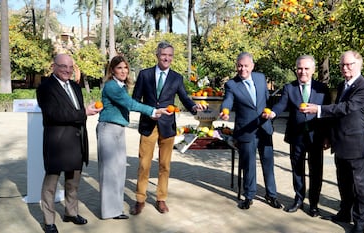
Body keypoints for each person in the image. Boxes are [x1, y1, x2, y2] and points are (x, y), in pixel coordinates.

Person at [130, 41, 206, 215]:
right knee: (143, 164)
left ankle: (161, 199)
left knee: (165, 165)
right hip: (148, 124)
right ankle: (140, 199)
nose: (167, 58)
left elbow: (185, 98)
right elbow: (135, 100)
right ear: (157, 55)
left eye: (170, 55)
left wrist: (193, 107)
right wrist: (149, 111)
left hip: (167, 126)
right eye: (164, 54)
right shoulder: (144, 74)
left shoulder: (177, 78)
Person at [302, 50, 364, 233]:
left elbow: (347, 108)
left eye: (349, 64)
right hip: (340, 144)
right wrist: (328, 135)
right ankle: (344, 213)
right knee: (344, 184)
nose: (345, 68)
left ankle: (360, 224)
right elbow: (337, 116)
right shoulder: (343, 86)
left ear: (359, 65)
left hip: (357, 146)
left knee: (360, 188)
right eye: (342, 65)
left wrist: (318, 109)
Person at [96, 55, 171, 220]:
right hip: (108, 129)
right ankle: (108, 212)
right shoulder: (111, 87)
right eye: (119, 68)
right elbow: (130, 104)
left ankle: (115, 209)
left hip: (118, 129)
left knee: (119, 170)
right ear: (112, 70)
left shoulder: (121, 86)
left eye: (125, 68)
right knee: (109, 172)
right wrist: (153, 111)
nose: (123, 71)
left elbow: (129, 103)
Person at [36, 54, 102, 233]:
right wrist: (83, 113)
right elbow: (53, 114)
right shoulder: (45, 88)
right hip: (57, 144)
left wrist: (84, 111)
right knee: (50, 185)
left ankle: (71, 213)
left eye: (70, 67)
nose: (67, 70)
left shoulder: (75, 86)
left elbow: (75, 110)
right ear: (53, 66)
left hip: (77, 142)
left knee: (73, 182)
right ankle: (49, 221)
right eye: (63, 66)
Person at [269, 55, 331, 217]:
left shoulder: (322, 89)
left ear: (313, 70)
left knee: (316, 171)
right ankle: (298, 199)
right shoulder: (289, 87)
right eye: (299, 68)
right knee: (297, 169)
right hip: (296, 136)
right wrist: (273, 113)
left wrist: (327, 136)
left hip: (316, 137)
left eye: (306, 68)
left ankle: (314, 204)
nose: (302, 72)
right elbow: (281, 104)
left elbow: (328, 115)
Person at [219, 52, 282, 210]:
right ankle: (249, 196)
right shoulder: (232, 84)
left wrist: (269, 113)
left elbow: (266, 98)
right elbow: (227, 100)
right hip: (245, 130)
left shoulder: (261, 78)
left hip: (264, 127)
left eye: (246, 65)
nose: (242, 69)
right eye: (239, 66)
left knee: (268, 163)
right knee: (248, 164)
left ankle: (271, 195)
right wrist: (225, 110)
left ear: (252, 66)